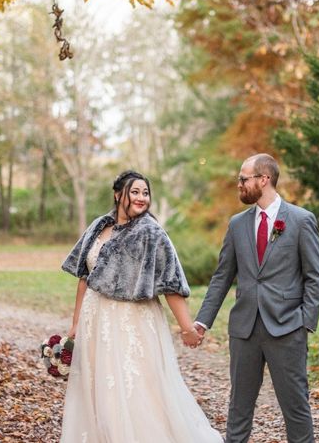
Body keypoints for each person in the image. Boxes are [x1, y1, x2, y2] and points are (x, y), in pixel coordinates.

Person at [59, 170, 222, 443]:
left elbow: (171, 283)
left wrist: (187, 328)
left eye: (145, 193)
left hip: (132, 321)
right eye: (135, 192)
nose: (141, 198)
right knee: (98, 387)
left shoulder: (151, 232)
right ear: (117, 194)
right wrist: (75, 324)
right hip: (95, 321)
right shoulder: (99, 226)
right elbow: (84, 277)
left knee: (135, 388)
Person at [195, 154, 319, 443]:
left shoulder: (301, 221)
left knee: (296, 408)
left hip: (287, 328)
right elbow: (222, 277)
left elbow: (315, 277)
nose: (239, 184)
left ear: (263, 179)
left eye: (244, 179)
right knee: (238, 409)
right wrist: (203, 320)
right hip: (244, 331)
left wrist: (305, 322)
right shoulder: (237, 224)